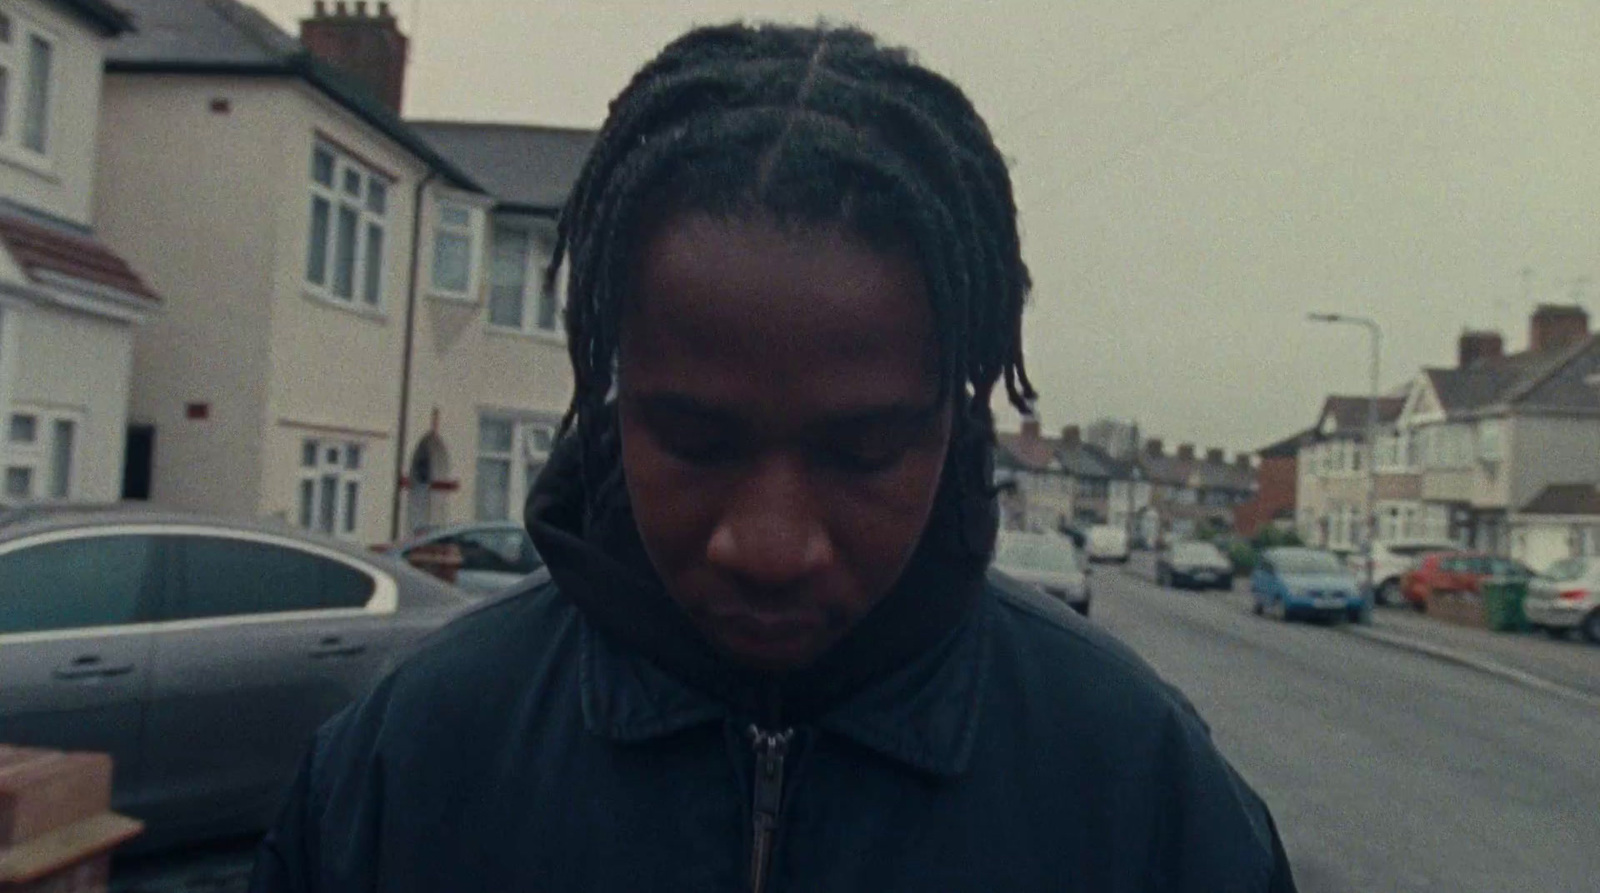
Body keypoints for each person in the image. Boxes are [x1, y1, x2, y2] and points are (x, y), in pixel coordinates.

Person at [250, 21, 1296, 892]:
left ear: (955, 416)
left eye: (865, 449)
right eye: (696, 441)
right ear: (610, 393)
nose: (769, 544)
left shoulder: (1137, 783)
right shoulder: (407, 762)